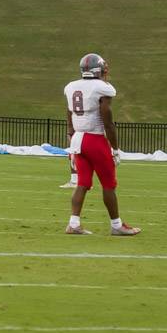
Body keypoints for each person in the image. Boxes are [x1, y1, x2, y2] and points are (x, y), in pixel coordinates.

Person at [63, 53, 139, 236]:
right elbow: (108, 122)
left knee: (82, 183)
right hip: (94, 139)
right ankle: (116, 225)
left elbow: (69, 112)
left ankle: (73, 224)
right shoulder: (102, 88)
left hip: (78, 139)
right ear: (98, 69)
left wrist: (70, 135)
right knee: (108, 184)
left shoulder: (71, 86)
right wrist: (115, 148)